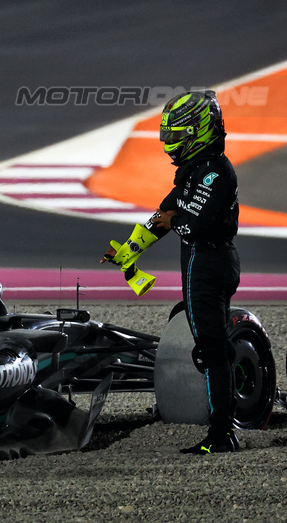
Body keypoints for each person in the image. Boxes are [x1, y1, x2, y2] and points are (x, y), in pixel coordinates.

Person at [103, 89, 241, 454]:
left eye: (177, 136)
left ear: (199, 132)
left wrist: (175, 216)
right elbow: (162, 217)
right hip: (200, 262)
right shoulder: (195, 171)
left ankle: (222, 435)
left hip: (210, 262)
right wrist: (129, 251)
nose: (170, 146)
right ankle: (220, 427)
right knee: (206, 344)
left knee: (212, 350)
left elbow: (191, 226)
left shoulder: (216, 174)